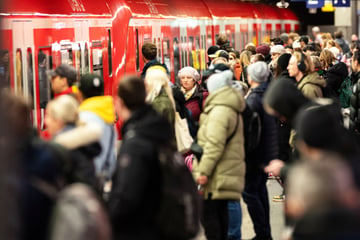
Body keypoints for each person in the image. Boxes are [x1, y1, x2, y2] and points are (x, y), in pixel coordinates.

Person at [108, 75, 173, 240]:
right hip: (162, 222)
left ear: (120, 103)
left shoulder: (135, 142)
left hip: (142, 229)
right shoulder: (156, 126)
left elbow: (127, 196)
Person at [192, 70, 246, 240]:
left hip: (217, 172)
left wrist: (203, 172)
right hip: (225, 168)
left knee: (213, 223)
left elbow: (214, 145)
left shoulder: (219, 111)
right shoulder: (228, 106)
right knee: (221, 219)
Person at [242, 61, 278, 240]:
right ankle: (264, 232)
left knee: (250, 193)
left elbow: (251, 131)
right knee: (259, 191)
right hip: (265, 153)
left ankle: (262, 233)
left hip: (255, 156)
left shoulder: (254, 99)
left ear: (250, 77)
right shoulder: (268, 94)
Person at [45, 95, 101, 191]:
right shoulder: (83, 142)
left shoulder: (62, 150)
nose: (45, 121)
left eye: (48, 116)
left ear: (58, 121)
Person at [77, 73, 117, 184]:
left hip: (88, 180)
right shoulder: (108, 116)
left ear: (80, 94)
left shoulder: (82, 118)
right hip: (103, 178)